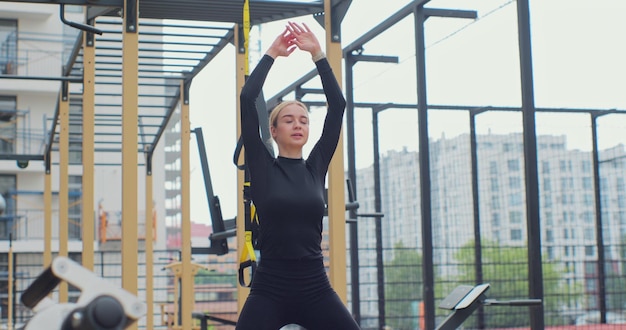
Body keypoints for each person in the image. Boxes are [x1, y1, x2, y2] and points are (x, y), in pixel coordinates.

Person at [235, 21, 360, 330]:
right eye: (288, 120)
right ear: (274, 131)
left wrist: (317, 53)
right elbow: (247, 98)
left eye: (303, 120)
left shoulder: (316, 166)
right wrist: (273, 54)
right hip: (270, 287)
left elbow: (338, 105)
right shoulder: (263, 167)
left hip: (315, 285)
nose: (298, 125)